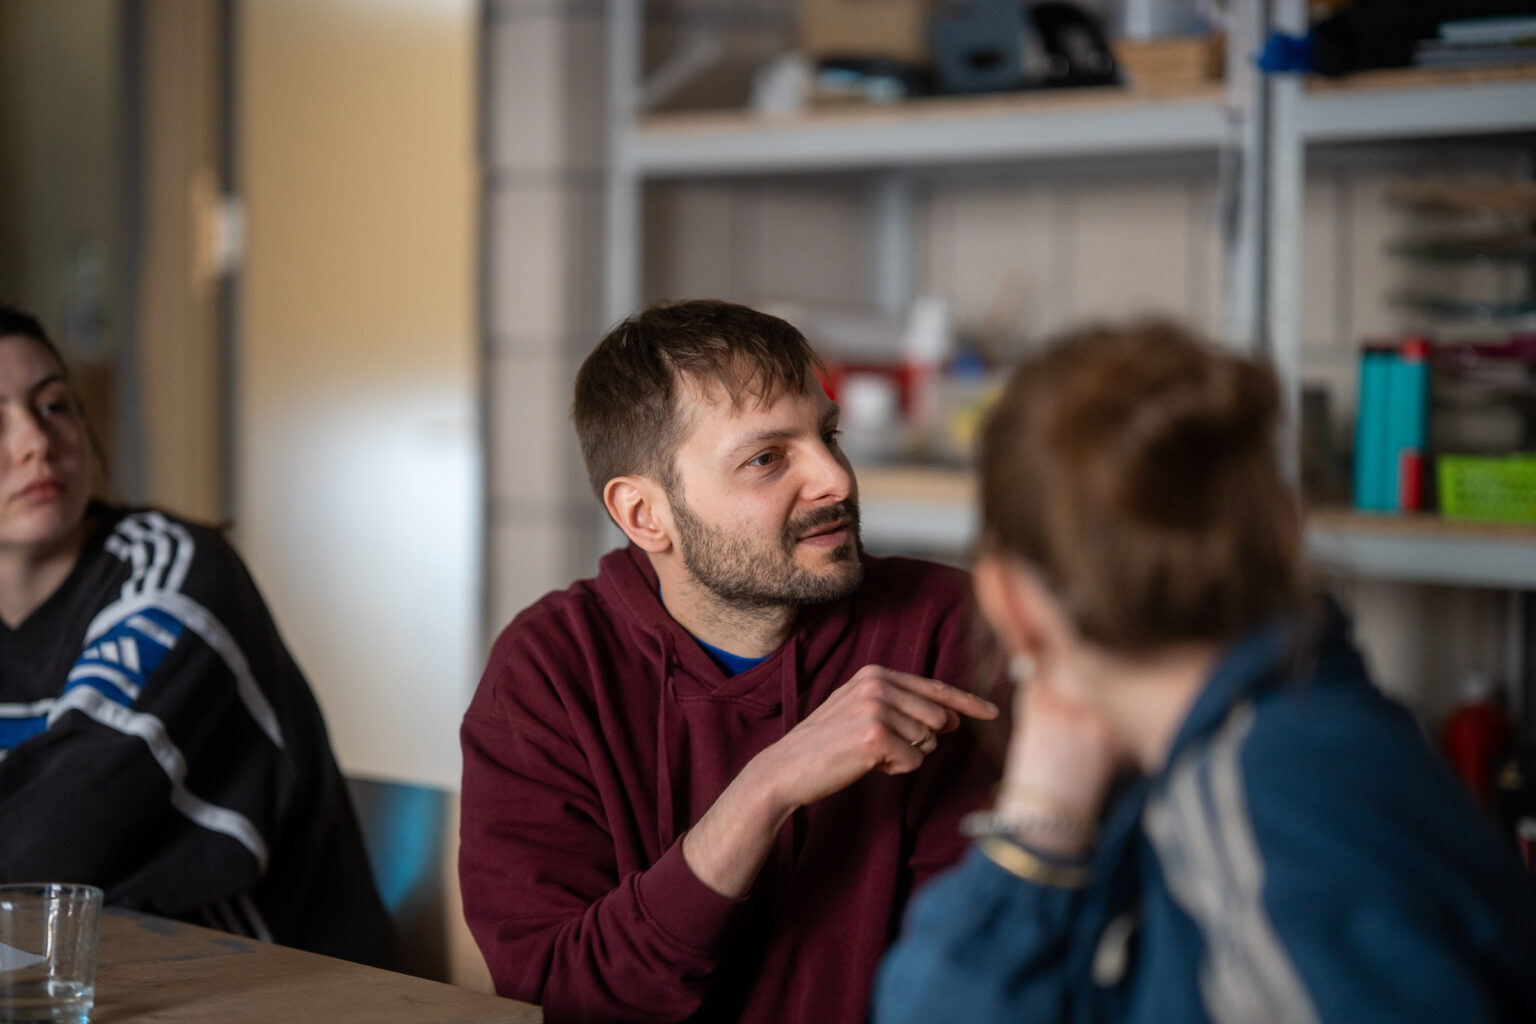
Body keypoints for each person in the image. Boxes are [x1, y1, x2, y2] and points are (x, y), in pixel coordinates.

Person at [875, 320, 1536, 1023]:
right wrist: (1045, 814)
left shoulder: (1261, 807)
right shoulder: (1277, 742)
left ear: (1009, 602)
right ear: (1282, 532)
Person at [459, 299, 1002, 1024]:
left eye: (829, 435)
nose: (836, 480)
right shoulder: (550, 674)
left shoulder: (945, 630)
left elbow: (972, 971)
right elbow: (563, 996)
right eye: (766, 458)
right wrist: (765, 789)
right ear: (645, 515)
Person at [0, 305, 392, 966]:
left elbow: (52, 838)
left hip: (279, 991)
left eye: (54, 406)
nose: (35, 442)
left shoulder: (177, 575)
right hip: (92, 987)